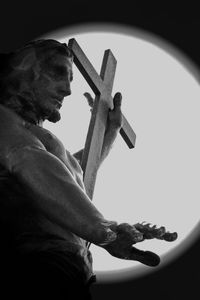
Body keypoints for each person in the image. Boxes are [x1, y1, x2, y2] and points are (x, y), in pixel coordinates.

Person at [0, 39, 177, 299]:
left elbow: (71, 176)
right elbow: (31, 163)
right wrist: (103, 230)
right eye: (58, 72)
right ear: (23, 73)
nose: (68, 90)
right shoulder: (5, 122)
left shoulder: (36, 137)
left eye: (70, 78)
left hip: (70, 272)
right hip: (32, 269)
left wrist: (108, 133)